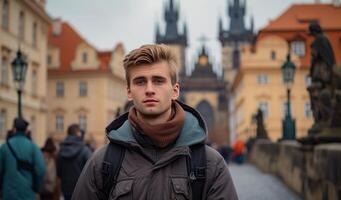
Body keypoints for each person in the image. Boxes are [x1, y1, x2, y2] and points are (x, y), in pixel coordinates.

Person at [72, 44, 238, 199]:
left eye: (158, 81)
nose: (149, 90)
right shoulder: (102, 163)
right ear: (129, 92)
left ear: (175, 91)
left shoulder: (210, 165)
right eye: (140, 81)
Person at [0, 118, 45, 200]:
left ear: (14, 130)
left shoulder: (4, 147)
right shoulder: (33, 147)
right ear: (26, 131)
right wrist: (36, 187)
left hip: (9, 193)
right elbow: (40, 170)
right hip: (28, 193)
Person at [57, 124, 92, 200]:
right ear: (78, 134)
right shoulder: (85, 150)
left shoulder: (61, 150)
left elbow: (59, 174)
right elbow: (92, 171)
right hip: (82, 190)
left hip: (66, 189)